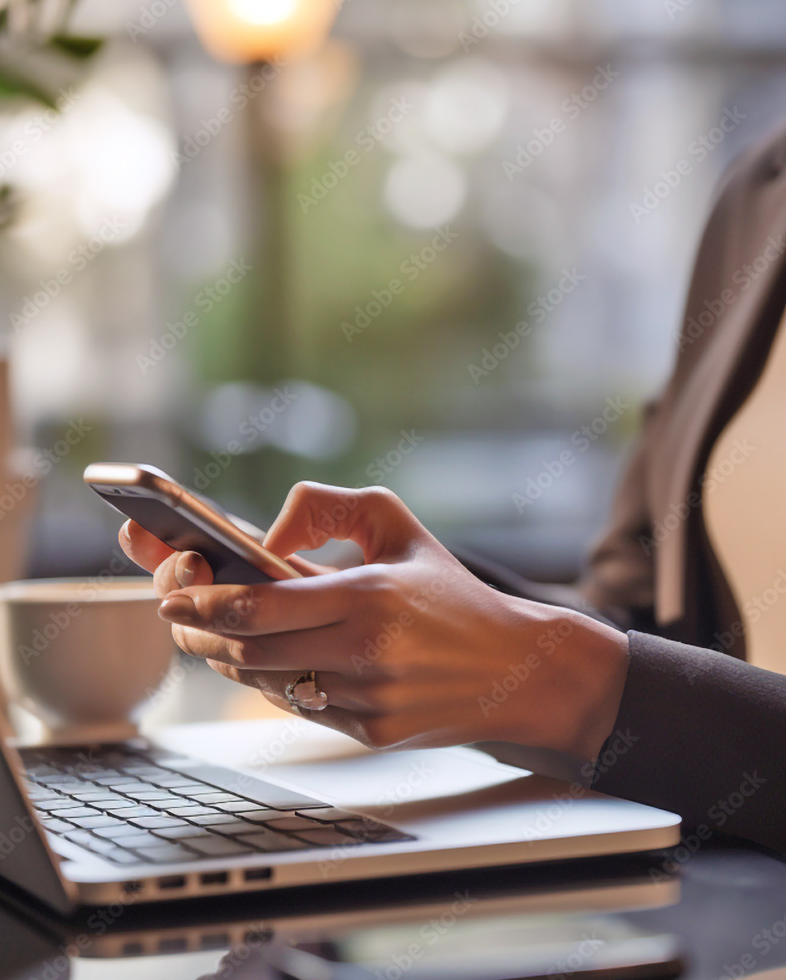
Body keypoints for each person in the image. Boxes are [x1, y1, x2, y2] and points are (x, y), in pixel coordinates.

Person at [121, 112, 786, 857]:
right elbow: (642, 626)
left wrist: (563, 683)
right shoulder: (760, 191)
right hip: (704, 890)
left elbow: (605, 677)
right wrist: (400, 615)